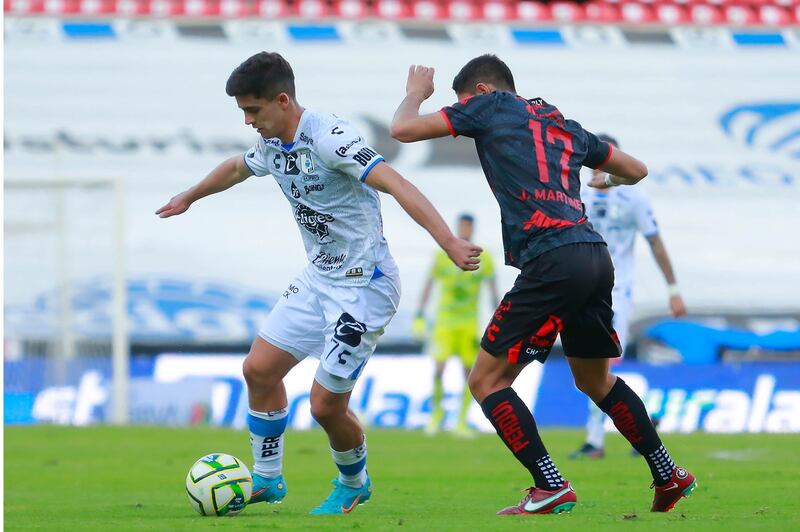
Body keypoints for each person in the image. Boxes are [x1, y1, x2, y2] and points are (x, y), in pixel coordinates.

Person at [156, 52, 480, 516]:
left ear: (282, 100)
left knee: (325, 406)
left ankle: (354, 483)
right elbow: (236, 168)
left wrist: (448, 240)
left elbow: (396, 183)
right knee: (258, 370)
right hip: (318, 278)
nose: (248, 121)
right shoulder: (272, 142)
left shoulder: (331, 139)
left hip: (364, 286)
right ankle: (267, 478)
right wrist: (190, 195)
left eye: (253, 110)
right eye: (243, 112)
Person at [389, 55, 697, 515]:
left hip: (552, 259)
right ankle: (668, 473)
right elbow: (636, 170)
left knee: (486, 381)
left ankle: (549, 485)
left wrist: (415, 93)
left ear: (482, 91)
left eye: (464, 102)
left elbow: (402, 129)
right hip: (593, 255)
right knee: (595, 380)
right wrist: (608, 180)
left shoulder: (491, 105)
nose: (464, 112)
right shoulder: (560, 122)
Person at [571, 133, 687, 460]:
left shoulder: (634, 197)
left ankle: (595, 440)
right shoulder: (577, 195)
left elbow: (655, 242)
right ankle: (642, 420)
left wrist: (673, 290)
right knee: (589, 362)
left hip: (617, 291)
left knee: (602, 359)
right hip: (581, 289)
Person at [414, 213, 499, 437]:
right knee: (439, 369)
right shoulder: (443, 255)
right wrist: (420, 314)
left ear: (472, 228)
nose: (465, 229)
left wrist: (500, 319)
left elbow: (493, 290)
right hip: (444, 322)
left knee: (469, 373)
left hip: (469, 323)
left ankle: (461, 421)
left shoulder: (484, 257)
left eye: (468, 226)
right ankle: (437, 415)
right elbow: (429, 284)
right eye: (462, 226)